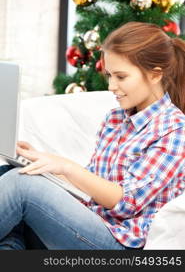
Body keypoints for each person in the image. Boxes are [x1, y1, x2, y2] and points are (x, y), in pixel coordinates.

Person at [0, 21, 185, 250]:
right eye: (109, 75)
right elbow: (91, 187)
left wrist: (65, 166)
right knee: (14, 171)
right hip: (93, 222)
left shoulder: (175, 130)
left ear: (155, 75)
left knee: (21, 186)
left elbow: (125, 202)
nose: (111, 86)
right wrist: (44, 163)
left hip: (121, 243)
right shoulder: (115, 119)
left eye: (121, 77)